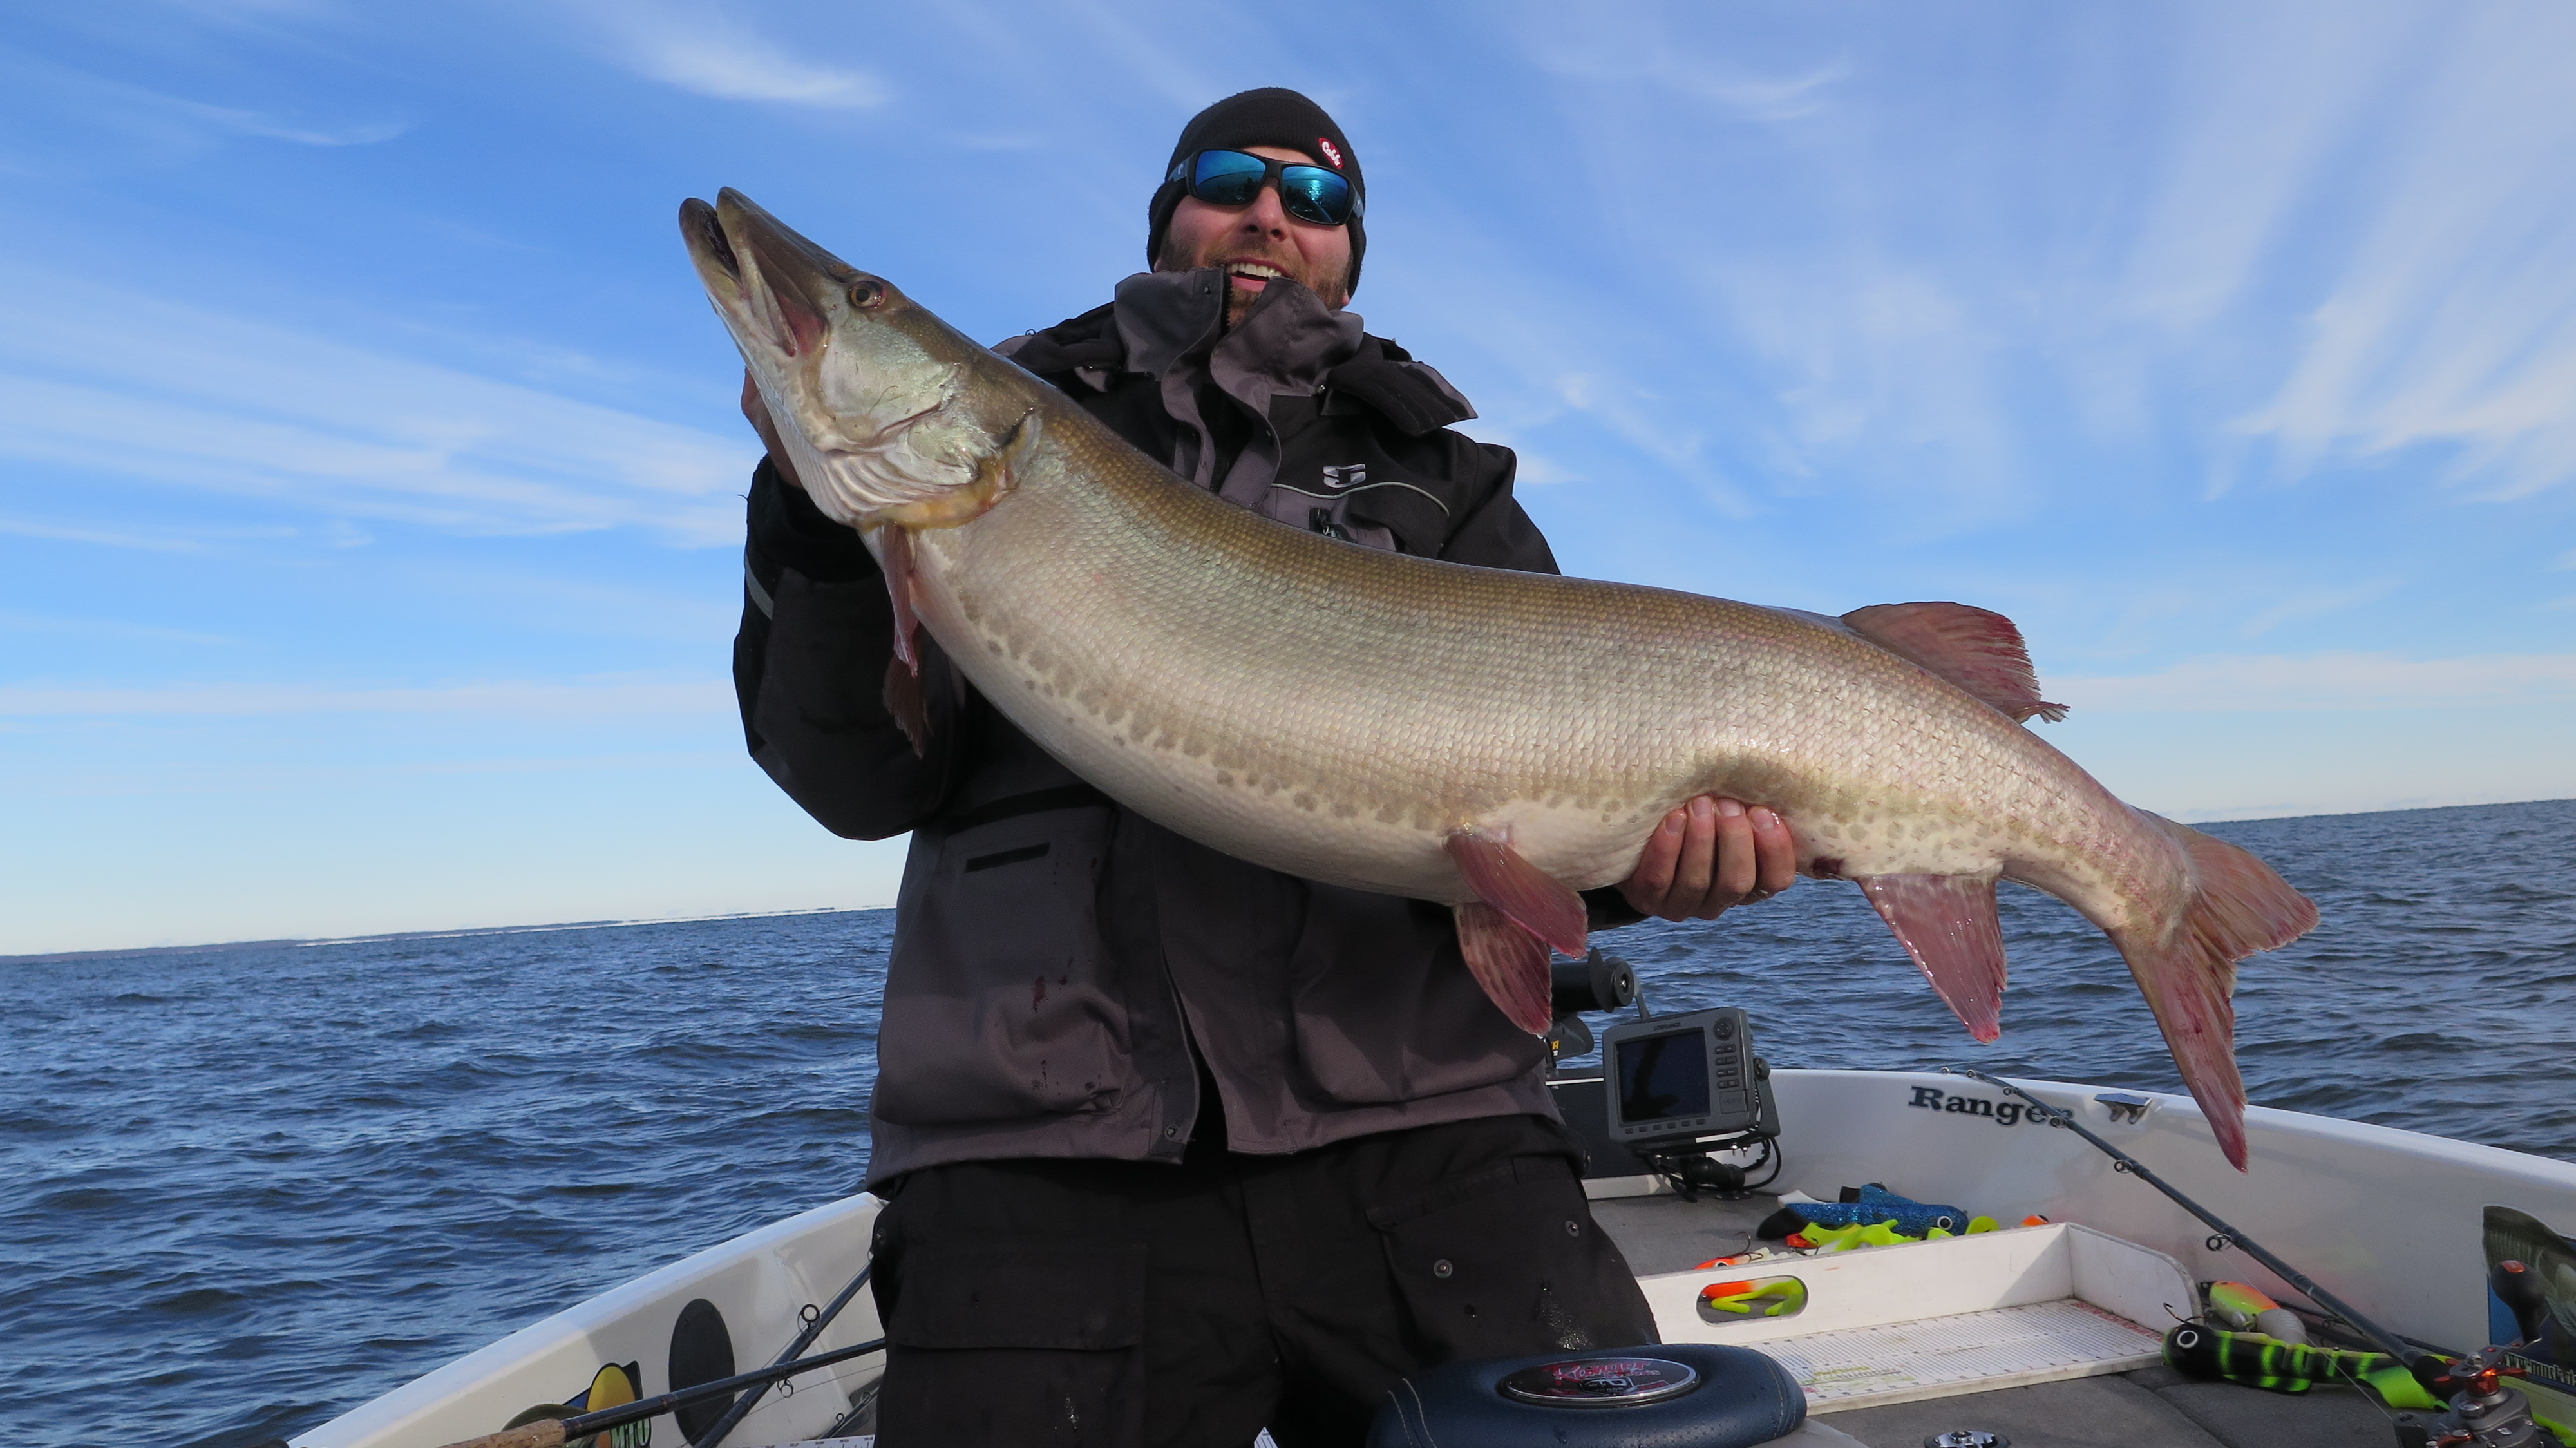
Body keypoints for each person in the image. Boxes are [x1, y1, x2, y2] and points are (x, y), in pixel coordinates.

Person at [732, 88, 1799, 1447]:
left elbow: (1546, 810)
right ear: (1171, 212)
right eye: (1232, 178)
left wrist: (1660, 871)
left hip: (1430, 1135)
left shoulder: (1443, 476)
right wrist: (821, 524)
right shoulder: (1017, 426)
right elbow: (853, 783)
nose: (1270, 214)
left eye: (1317, 200)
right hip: (1046, 1153)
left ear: (1346, 251)